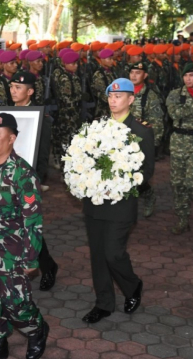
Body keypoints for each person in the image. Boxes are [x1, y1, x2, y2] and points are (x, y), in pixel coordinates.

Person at [0, 112, 49, 359]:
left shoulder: (23, 174)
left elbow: (33, 222)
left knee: (16, 304)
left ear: (11, 138)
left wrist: (31, 260)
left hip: (12, 254)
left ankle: (36, 329)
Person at [81, 78, 154, 324]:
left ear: (131, 99)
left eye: (119, 96)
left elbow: (146, 173)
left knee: (113, 253)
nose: (113, 101)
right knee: (98, 255)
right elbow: (85, 160)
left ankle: (132, 286)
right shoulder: (96, 128)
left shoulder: (142, 130)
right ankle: (104, 303)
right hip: (95, 201)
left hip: (121, 203)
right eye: (111, 97)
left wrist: (120, 185)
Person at [9, 71, 59, 291]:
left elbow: (42, 155)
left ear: (30, 91)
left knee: (29, 226)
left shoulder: (41, 117)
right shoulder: (4, 113)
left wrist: (34, 181)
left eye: (18, 88)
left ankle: (48, 267)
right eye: (11, 87)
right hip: (6, 177)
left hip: (26, 180)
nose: (13, 91)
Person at [165, 63, 193, 234]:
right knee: (177, 182)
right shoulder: (175, 94)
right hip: (178, 140)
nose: (188, 79)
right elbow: (175, 114)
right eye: (186, 75)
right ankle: (182, 219)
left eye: (192, 75)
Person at [128, 61, 164, 217]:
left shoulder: (150, 96)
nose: (134, 75)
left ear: (145, 75)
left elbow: (156, 122)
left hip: (140, 142)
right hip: (121, 139)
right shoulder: (123, 91)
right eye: (132, 72)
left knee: (139, 176)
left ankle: (148, 195)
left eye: (138, 73)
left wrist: (153, 145)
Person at [51, 52, 82, 170]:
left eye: (76, 63)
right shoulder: (65, 77)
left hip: (73, 113)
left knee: (71, 139)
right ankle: (65, 164)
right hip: (67, 114)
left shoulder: (72, 76)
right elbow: (66, 98)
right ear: (65, 64)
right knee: (65, 140)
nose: (75, 66)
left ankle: (69, 162)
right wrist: (78, 99)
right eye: (72, 64)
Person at [91, 49, 117, 118]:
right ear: (102, 60)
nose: (112, 61)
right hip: (104, 110)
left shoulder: (112, 72)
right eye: (109, 59)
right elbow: (102, 94)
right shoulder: (99, 75)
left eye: (112, 59)